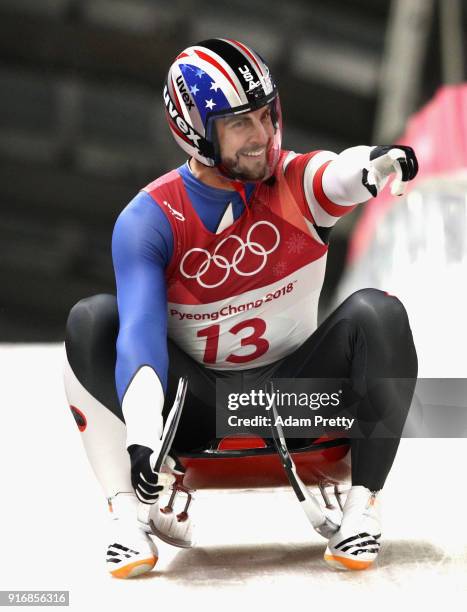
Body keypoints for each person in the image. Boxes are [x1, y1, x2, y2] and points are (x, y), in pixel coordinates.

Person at [64, 38, 418, 578]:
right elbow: (137, 334)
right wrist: (140, 441)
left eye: (265, 115)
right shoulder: (148, 220)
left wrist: (375, 166)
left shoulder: (294, 180)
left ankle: (362, 506)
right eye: (240, 124)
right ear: (196, 131)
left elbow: (336, 174)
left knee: (379, 311)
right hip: (198, 413)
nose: (263, 137)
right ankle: (127, 512)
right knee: (91, 319)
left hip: (301, 406)